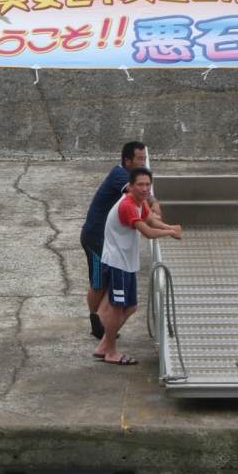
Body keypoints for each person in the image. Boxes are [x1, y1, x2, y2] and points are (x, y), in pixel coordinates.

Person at [95, 167, 182, 365]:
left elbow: (150, 220)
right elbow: (148, 232)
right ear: (131, 186)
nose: (144, 189)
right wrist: (170, 234)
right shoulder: (126, 205)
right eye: (140, 185)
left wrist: (170, 226)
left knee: (131, 306)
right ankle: (110, 352)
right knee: (116, 307)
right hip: (116, 261)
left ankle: (103, 346)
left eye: (147, 185)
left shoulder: (140, 203)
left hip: (126, 262)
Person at [80, 142, 163, 339]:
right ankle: (97, 323)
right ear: (128, 161)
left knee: (111, 278)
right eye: (140, 159)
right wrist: (153, 214)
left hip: (109, 237)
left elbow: (146, 196)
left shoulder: (134, 178)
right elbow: (137, 195)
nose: (144, 162)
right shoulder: (120, 174)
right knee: (99, 282)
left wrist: (155, 204)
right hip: (96, 236)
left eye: (145, 158)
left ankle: (103, 322)